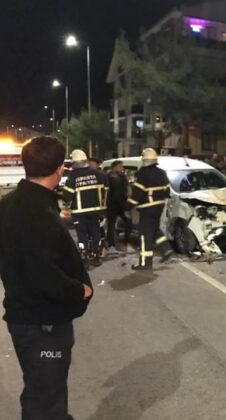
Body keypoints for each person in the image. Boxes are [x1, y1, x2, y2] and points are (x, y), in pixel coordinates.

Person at [0, 136, 94, 420]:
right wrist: (80, 290)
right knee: (44, 397)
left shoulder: (12, 203)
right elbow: (43, 273)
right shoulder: (36, 211)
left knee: (46, 388)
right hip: (43, 324)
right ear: (59, 169)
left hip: (29, 316)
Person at [127, 148, 173, 270]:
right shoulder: (162, 172)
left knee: (145, 235)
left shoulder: (142, 174)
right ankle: (166, 249)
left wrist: (127, 207)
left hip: (147, 208)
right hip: (159, 206)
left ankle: (145, 263)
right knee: (155, 229)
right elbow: (167, 191)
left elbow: (136, 194)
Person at [62, 149, 108, 267]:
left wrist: (64, 202)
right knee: (95, 233)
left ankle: (84, 257)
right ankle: (96, 256)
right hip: (96, 211)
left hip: (80, 213)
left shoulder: (73, 176)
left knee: (82, 235)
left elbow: (67, 196)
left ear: (74, 162)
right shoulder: (99, 174)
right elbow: (106, 192)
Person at [106, 160, 132, 251]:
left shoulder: (122, 177)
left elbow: (128, 187)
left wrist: (129, 194)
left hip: (122, 205)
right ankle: (111, 244)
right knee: (111, 225)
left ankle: (125, 242)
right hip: (112, 205)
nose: (122, 168)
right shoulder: (107, 177)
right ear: (114, 167)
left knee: (129, 222)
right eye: (120, 166)